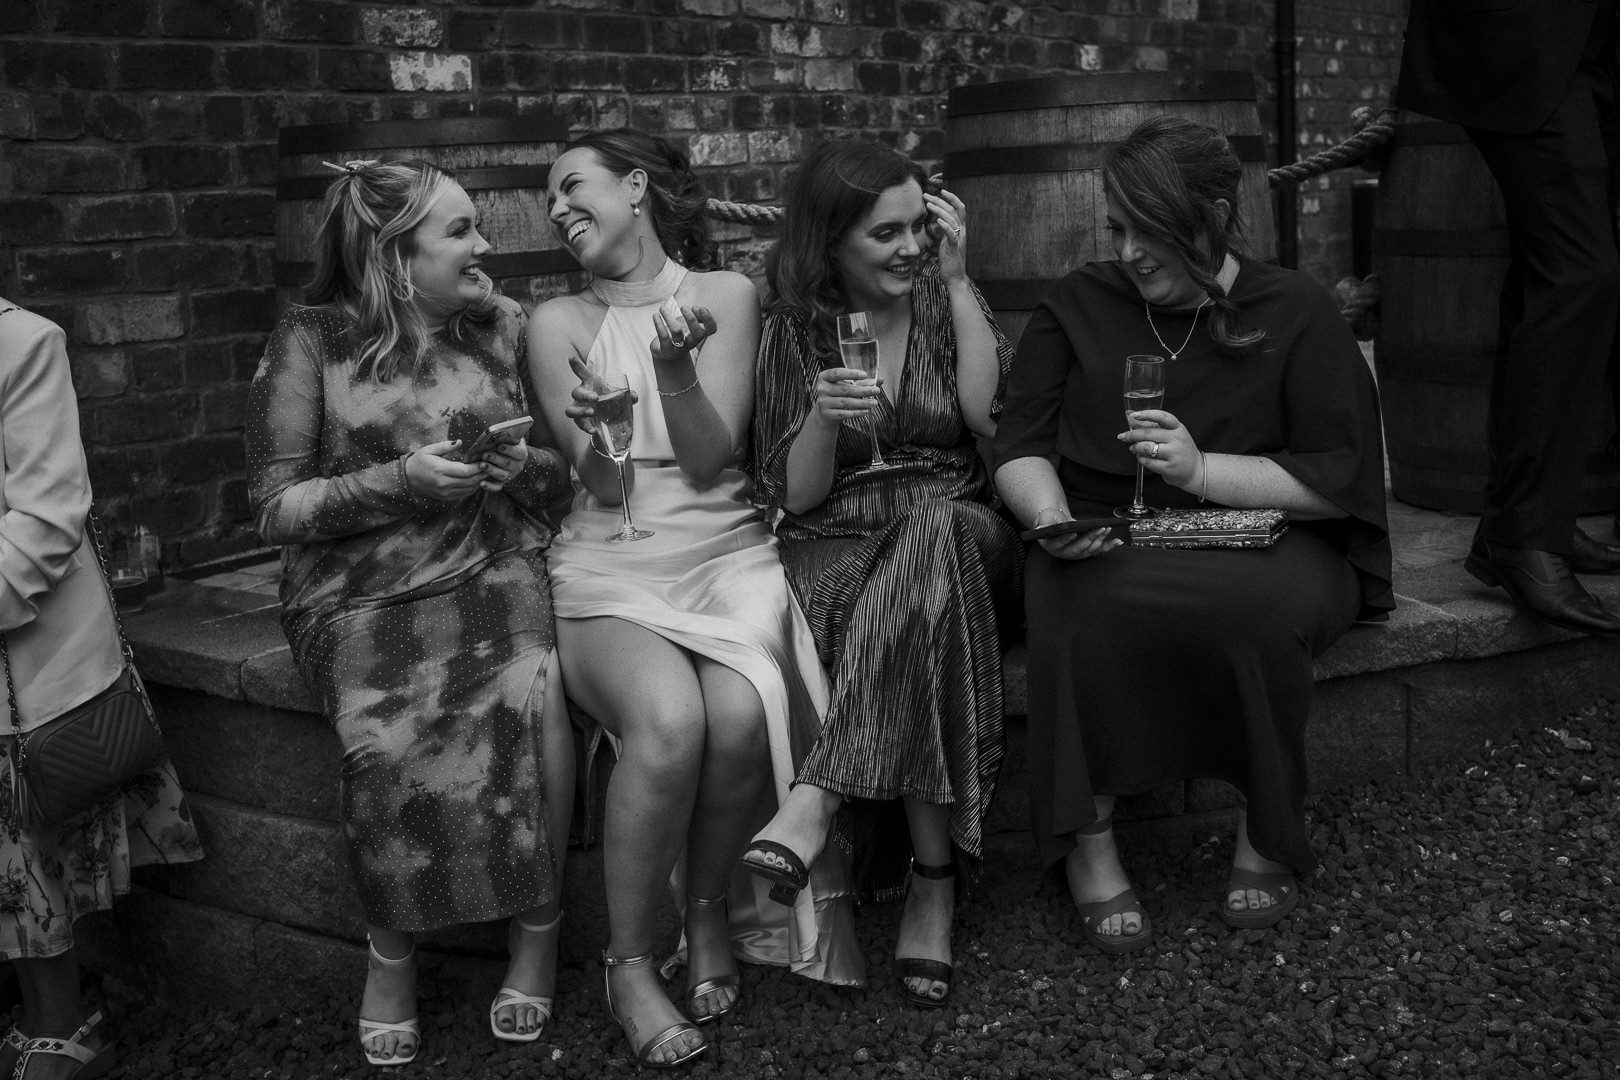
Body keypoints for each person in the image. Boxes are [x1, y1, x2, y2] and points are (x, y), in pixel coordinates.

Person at [993, 116, 1394, 950]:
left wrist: (1201, 470)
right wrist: (1050, 516)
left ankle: (1264, 831)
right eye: (1118, 228)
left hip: (1269, 536)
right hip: (1106, 531)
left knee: (1260, 609)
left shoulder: (1295, 309)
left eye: (1152, 229)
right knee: (1071, 594)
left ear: (1212, 216)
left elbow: (1340, 480)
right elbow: (1021, 446)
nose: (1131, 250)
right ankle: (1090, 846)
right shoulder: (1078, 304)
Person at [527, 130, 862, 1069]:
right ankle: (628, 963)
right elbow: (599, 485)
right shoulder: (554, 324)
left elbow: (713, 459)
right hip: (610, 563)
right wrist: (604, 428)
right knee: (671, 721)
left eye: (571, 186)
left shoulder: (726, 297)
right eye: (549, 201)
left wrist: (673, 373)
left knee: (741, 715)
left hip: (722, 551)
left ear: (635, 188)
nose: (556, 210)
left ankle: (709, 909)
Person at [246, 159, 575, 1067]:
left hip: (492, 562)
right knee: (383, 736)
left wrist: (524, 470)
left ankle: (537, 932)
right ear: (394, 257)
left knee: (534, 698)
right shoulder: (311, 340)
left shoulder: (504, 328)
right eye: (461, 230)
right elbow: (273, 505)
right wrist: (399, 482)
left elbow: (563, 470)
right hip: (354, 590)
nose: (485, 245)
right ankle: (390, 950)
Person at [743, 141, 1020, 1009]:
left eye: (919, 229)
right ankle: (934, 883)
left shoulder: (947, 300)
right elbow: (798, 493)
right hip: (837, 542)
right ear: (830, 244)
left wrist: (964, 277)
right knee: (918, 612)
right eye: (885, 234)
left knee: (934, 533)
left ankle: (818, 795)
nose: (910, 248)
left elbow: (987, 416)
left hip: (960, 523)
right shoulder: (791, 325)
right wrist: (823, 418)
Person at [0, 299, 204, 1079]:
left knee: (28, 840)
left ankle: (59, 1023)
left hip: (28, 654)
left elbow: (50, 514)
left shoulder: (22, 342)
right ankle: (33, 1018)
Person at [1396, 0, 1620, 632]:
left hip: (1588, 42)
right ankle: (1525, 535)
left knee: (1546, 273)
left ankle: (1527, 519)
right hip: (1521, 30)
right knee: (1582, 271)